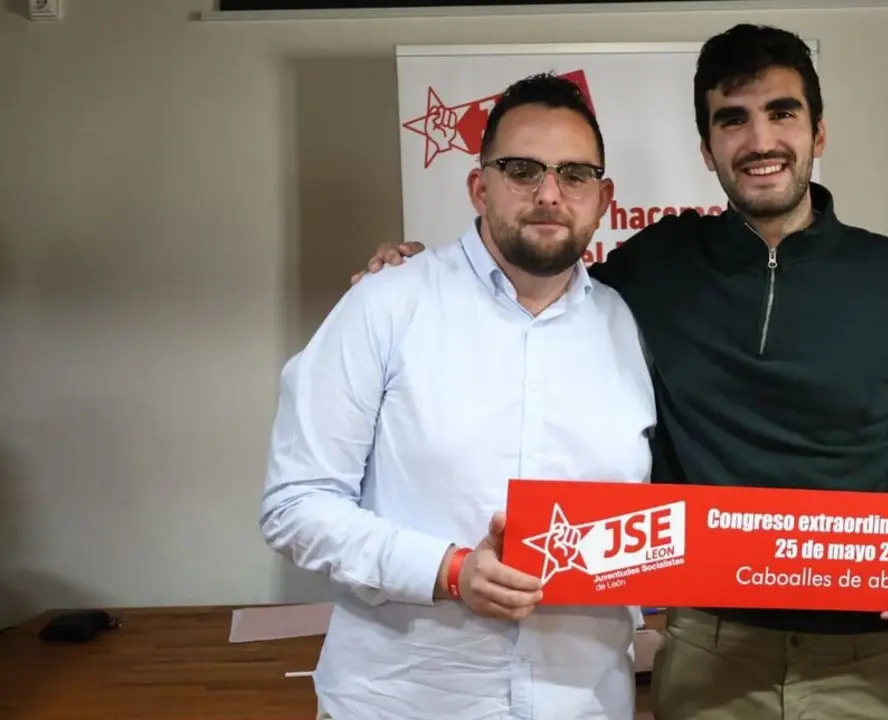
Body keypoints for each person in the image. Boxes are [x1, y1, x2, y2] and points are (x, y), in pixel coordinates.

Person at [354, 23, 888, 720]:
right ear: (708, 149)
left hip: (868, 648)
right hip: (707, 649)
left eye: (781, 112)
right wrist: (426, 271)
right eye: (733, 120)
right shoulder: (657, 264)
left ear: (818, 134)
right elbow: (534, 290)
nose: (759, 141)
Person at [260, 73, 658, 720]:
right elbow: (295, 504)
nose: (549, 194)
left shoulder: (629, 326)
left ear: (604, 197)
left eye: (575, 174)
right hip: (403, 702)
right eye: (522, 170)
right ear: (480, 185)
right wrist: (447, 572)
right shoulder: (386, 304)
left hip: (584, 702)